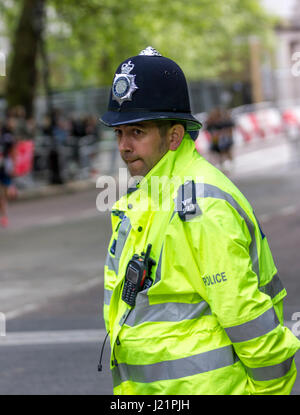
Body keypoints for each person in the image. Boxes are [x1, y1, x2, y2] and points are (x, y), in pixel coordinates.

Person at [99, 46, 300, 395]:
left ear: (174, 136)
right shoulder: (147, 196)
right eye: (119, 133)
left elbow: (246, 316)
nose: (124, 146)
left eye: (138, 132)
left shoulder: (200, 206)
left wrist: (271, 390)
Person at [0, 117, 17, 227]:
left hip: (4, 167)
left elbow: (13, 151)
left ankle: (4, 213)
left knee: (5, 193)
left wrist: (13, 166)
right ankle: (3, 215)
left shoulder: (7, 138)